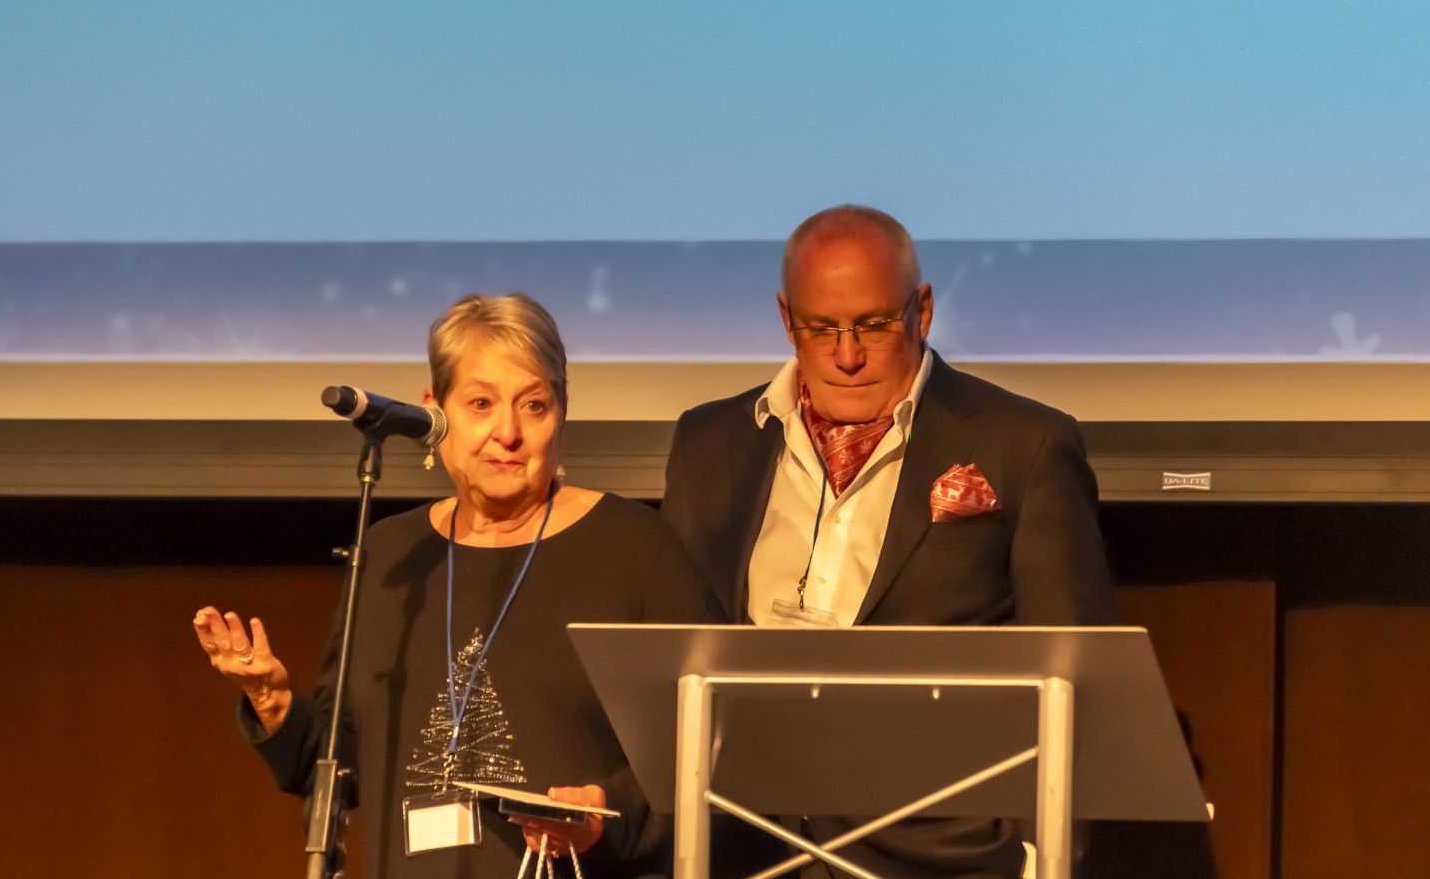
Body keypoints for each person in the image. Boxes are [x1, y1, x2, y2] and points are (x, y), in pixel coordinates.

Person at [660, 205, 1116, 879]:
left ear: (921, 312)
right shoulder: (709, 444)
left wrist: (1034, 856)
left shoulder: (1024, 445)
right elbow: (671, 648)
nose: (847, 357)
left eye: (873, 325)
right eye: (821, 330)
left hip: (940, 855)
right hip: (741, 845)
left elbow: (1073, 672)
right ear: (787, 320)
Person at [194, 293, 707, 879]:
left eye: (534, 405)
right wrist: (275, 702)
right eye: (481, 403)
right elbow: (342, 766)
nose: (507, 432)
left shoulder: (634, 549)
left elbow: (707, 751)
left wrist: (606, 816)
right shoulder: (391, 555)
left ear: (562, 412)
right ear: (435, 412)